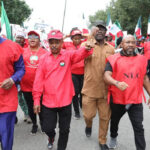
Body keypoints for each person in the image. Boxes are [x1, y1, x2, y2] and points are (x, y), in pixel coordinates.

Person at [32, 29, 94, 150]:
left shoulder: (68, 55)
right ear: (48, 43)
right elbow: (38, 81)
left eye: (57, 42)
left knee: (65, 130)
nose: (54, 45)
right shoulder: (44, 59)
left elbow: (81, 54)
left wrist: (87, 47)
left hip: (65, 101)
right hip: (48, 102)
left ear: (62, 42)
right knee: (47, 128)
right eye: (51, 42)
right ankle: (51, 137)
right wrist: (36, 100)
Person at [104, 35, 150, 150]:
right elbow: (105, 76)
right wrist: (116, 83)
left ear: (136, 45)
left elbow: (144, 78)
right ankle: (113, 138)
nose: (130, 44)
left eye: (133, 42)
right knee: (114, 122)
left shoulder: (142, 59)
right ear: (122, 44)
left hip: (135, 100)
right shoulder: (113, 59)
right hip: (118, 99)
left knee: (139, 127)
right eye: (127, 42)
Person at [81, 20, 115, 150]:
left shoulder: (111, 48)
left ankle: (102, 140)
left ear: (106, 32)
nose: (100, 31)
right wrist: (89, 39)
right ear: (93, 30)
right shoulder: (86, 45)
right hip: (89, 90)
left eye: (102, 29)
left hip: (106, 91)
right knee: (88, 115)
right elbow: (80, 55)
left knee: (105, 118)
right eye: (97, 28)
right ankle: (88, 125)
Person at [0, 25, 25, 150]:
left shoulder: (12, 47)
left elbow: (21, 69)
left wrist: (12, 79)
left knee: (6, 139)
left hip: (6, 102)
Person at [20, 31, 47, 134]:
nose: (32, 39)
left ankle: (43, 124)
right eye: (30, 36)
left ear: (39, 40)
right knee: (30, 107)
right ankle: (35, 124)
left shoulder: (44, 52)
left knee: (41, 106)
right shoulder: (22, 51)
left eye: (35, 37)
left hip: (41, 86)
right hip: (26, 86)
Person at [63, 28, 84, 119]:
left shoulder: (84, 44)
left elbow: (92, 37)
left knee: (83, 92)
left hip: (84, 72)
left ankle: (83, 106)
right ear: (71, 38)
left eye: (79, 38)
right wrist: (66, 36)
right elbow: (58, 42)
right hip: (73, 73)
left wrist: (83, 35)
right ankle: (77, 112)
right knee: (75, 93)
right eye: (75, 38)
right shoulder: (67, 45)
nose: (77, 40)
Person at [15, 32, 31, 123]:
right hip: (14, 77)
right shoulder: (11, 47)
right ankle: (14, 116)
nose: (19, 39)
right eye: (18, 37)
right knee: (19, 98)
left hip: (25, 77)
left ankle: (27, 114)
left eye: (21, 38)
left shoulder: (27, 49)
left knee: (25, 98)